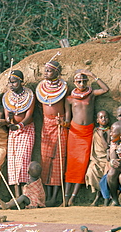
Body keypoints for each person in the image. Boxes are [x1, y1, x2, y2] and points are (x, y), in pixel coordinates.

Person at [63, 69, 109, 206]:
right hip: (74, 133)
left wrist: (93, 75)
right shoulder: (69, 99)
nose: (81, 83)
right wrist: (62, 123)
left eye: (84, 80)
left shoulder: (91, 94)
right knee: (71, 164)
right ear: (74, 82)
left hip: (87, 132)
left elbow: (105, 89)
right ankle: (65, 198)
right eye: (78, 81)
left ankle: (73, 197)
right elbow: (67, 118)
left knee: (82, 164)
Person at [36, 60, 68, 207]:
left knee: (59, 160)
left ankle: (55, 196)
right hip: (46, 125)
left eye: (49, 70)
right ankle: (46, 195)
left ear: (57, 72)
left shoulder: (64, 88)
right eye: (45, 70)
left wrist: (63, 123)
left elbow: (67, 110)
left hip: (59, 124)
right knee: (46, 160)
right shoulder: (41, 88)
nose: (45, 73)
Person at [2, 70, 35, 198]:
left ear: (22, 81)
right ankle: (16, 197)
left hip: (26, 130)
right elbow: (7, 119)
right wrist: (10, 119)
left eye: (14, 82)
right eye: (9, 82)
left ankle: (25, 196)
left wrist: (19, 125)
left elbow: (29, 115)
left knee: (23, 162)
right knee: (13, 163)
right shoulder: (6, 98)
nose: (11, 85)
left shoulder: (30, 96)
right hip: (13, 131)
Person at [84, 110, 110, 206]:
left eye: (106, 117)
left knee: (106, 175)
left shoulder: (109, 131)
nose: (104, 119)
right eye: (101, 117)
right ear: (97, 120)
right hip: (96, 159)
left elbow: (106, 146)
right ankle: (98, 195)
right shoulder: (95, 131)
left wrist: (102, 136)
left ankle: (105, 197)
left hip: (106, 159)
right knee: (90, 172)